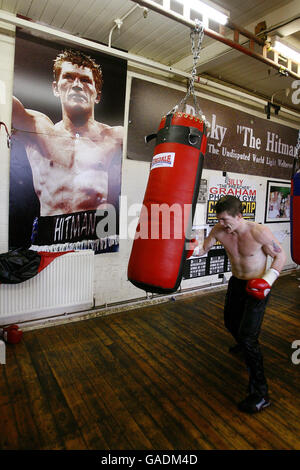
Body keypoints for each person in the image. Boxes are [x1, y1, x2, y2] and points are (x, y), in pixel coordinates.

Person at [12, 49, 123, 251]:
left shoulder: (115, 137)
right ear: (56, 88)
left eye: (86, 80)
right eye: (69, 77)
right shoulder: (37, 128)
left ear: (97, 95)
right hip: (50, 239)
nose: (77, 85)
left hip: (100, 238)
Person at [194, 195, 286, 414]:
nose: (223, 225)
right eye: (220, 220)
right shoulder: (219, 230)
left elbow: (280, 257)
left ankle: (261, 394)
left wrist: (268, 279)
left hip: (258, 286)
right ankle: (243, 344)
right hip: (237, 284)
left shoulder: (258, 232)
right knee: (230, 322)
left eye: (226, 220)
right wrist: (187, 247)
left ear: (239, 216)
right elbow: (203, 249)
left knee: (248, 337)